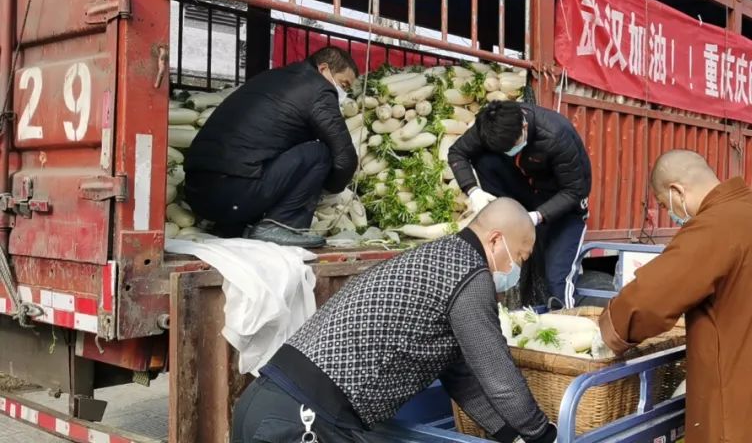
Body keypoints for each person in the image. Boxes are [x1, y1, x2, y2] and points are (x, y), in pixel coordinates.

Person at [230, 198, 558, 443]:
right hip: (304, 419)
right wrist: (541, 434)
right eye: (521, 256)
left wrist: (510, 435)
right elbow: (497, 373)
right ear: (496, 240)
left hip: (266, 402)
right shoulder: (470, 275)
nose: (518, 268)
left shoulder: (435, 258)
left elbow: (462, 377)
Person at [598, 150, 752, 443]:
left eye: (664, 204)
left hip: (743, 390)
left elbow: (648, 300)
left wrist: (607, 333)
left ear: (677, 191)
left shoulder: (716, 225)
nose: (670, 214)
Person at [185, 46, 360, 248]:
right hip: (234, 193)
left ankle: (232, 227)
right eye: (343, 85)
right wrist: (328, 190)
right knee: (320, 153)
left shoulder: (275, 77)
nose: (343, 93)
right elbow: (345, 157)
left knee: (270, 153)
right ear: (323, 69)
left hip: (197, 194)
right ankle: (281, 225)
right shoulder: (319, 88)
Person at [448, 100, 591, 308]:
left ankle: (565, 317)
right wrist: (473, 191)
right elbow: (457, 152)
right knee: (485, 159)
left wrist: (537, 216)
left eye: (511, 147)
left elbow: (575, 191)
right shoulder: (490, 125)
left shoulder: (556, 135)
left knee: (556, 280)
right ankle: (500, 212)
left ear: (524, 127)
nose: (509, 152)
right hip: (524, 193)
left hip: (562, 204)